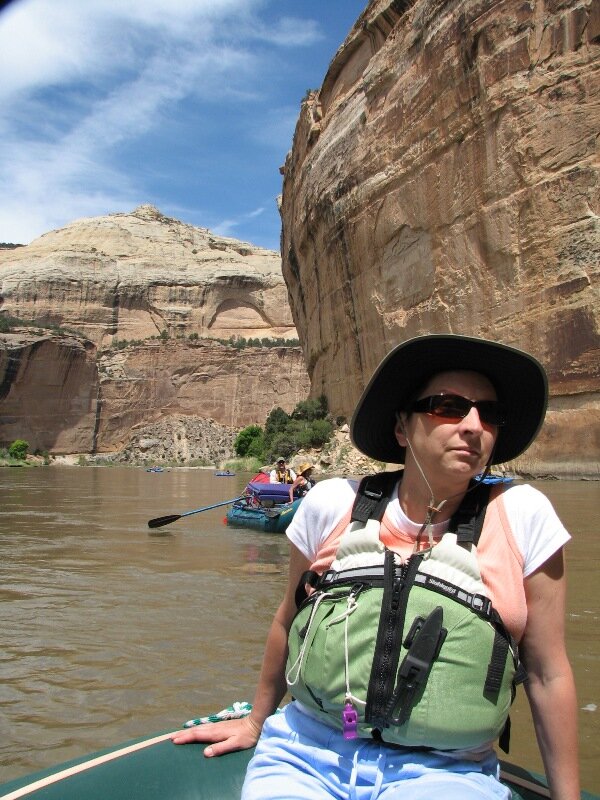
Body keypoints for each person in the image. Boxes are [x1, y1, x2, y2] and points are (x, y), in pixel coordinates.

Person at [172, 334, 579, 800]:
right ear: (402, 429)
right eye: (448, 406)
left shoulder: (525, 516)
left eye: (490, 413)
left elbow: (548, 673)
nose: (473, 425)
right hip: (306, 753)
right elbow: (288, 619)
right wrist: (256, 721)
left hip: (446, 773)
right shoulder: (332, 504)